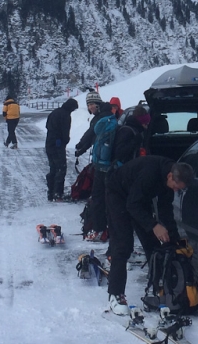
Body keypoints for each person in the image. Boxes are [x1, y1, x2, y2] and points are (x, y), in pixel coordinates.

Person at [104, 156, 194, 315]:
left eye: (179, 189)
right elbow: (132, 205)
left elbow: (166, 211)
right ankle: (115, 294)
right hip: (118, 193)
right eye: (175, 187)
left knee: (152, 243)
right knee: (123, 244)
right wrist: (154, 225)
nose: (175, 191)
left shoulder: (169, 179)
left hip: (138, 197)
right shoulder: (150, 174)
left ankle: (160, 288)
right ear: (170, 177)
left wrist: (173, 239)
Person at [83, 104, 151, 242]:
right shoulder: (129, 132)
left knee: (100, 198)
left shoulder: (125, 128)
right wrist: (135, 142)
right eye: (145, 122)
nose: (147, 125)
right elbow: (120, 152)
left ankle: (100, 228)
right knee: (108, 201)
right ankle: (104, 229)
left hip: (104, 168)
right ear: (141, 120)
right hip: (113, 171)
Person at [74, 92, 115, 239]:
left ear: (98, 104)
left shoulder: (100, 118)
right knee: (108, 196)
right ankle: (108, 226)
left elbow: (90, 135)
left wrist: (80, 148)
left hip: (101, 164)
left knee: (98, 196)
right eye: (88, 105)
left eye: (92, 104)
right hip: (110, 163)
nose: (90, 107)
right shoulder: (110, 115)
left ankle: (99, 229)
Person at [44, 98, 79, 201]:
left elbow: (47, 125)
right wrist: (64, 141)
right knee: (61, 168)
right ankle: (58, 193)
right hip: (58, 145)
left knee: (53, 168)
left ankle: (50, 192)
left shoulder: (55, 112)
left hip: (49, 143)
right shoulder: (65, 115)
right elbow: (65, 132)